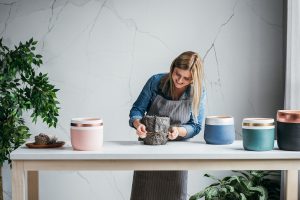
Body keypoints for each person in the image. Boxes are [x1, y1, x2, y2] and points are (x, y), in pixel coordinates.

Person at [129, 51, 206, 200]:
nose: (179, 80)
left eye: (186, 78)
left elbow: (195, 126)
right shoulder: (156, 82)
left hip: (177, 153)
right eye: (177, 74)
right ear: (172, 68)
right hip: (150, 150)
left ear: (193, 79)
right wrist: (138, 124)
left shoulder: (197, 92)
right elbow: (137, 110)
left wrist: (178, 131)